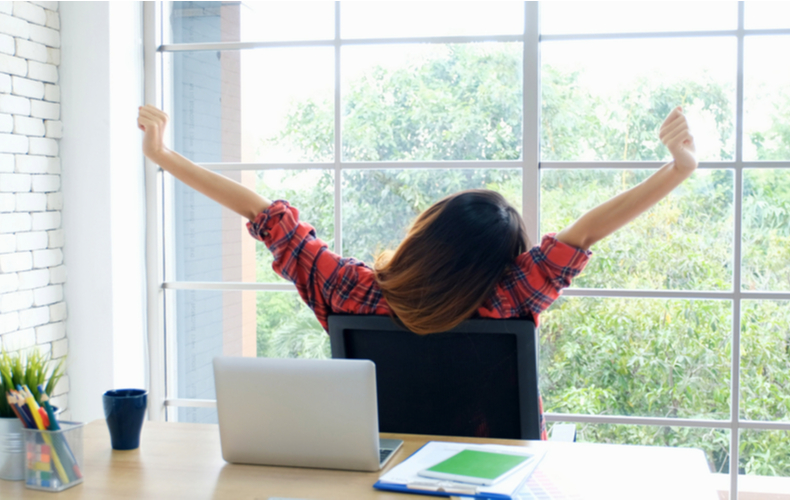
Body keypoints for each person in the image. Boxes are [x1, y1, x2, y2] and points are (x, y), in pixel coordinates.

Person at [138, 104, 698, 439]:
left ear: (426, 232)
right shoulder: (510, 298)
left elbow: (265, 214)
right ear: (502, 262)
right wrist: (677, 170)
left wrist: (164, 156)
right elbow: (585, 231)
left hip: (385, 479)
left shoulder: (351, 292)